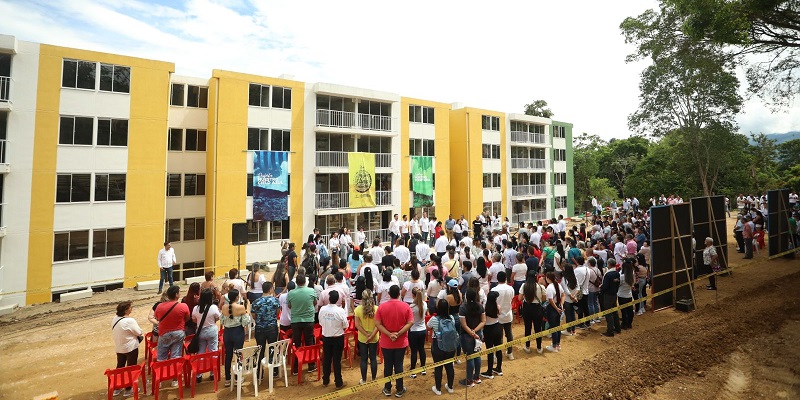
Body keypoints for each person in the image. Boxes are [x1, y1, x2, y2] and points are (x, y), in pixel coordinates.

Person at [374, 284, 413, 398]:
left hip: (386, 342)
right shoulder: (406, 306)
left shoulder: (381, 307)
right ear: (399, 293)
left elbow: (377, 324)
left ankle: (387, 388)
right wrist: (399, 333)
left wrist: (389, 334)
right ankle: (399, 389)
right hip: (400, 342)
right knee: (399, 365)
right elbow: (410, 322)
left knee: (388, 365)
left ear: (389, 294)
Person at [287, 274, 318, 375]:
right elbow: (315, 303)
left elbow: (289, 305)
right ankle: (311, 365)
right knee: (309, 342)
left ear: (297, 283)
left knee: (297, 343)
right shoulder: (311, 291)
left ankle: (296, 367)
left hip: (296, 321)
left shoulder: (291, 293)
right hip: (308, 320)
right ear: (305, 281)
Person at [111, 301, 143, 396]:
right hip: (130, 347)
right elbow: (138, 332)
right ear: (126, 310)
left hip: (119, 347)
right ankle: (128, 389)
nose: (131, 308)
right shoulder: (129, 320)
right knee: (131, 367)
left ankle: (117, 387)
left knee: (120, 366)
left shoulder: (115, 318)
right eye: (130, 307)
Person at [220, 289, 251, 386]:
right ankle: (238, 377)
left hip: (227, 333)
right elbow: (245, 322)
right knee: (238, 355)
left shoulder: (224, 307)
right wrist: (247, 311)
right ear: (237, 297)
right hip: (237, 332)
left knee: (228, 355)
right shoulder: (241, 307)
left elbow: (221, 321)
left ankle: (227, 379)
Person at [319, 290, 348, 389]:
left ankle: (325, 380)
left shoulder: (323, 309)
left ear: (329, 298)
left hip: (326, 337)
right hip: (337, 338)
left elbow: (321, 322)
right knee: (336, 360)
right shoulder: (340, 311)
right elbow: (345, 325)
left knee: (326, 359)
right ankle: (338, 382)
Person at [251, 282, 280, 378]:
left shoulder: (256, 302)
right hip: (272, 327)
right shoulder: (275, 301)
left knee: (260, 350)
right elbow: (277, 313)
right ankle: (274, 370)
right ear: (270, 289)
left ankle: (260, 373)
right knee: (273, 348)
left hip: (260, 329)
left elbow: (254, 316)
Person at [427, 299, 456, 395]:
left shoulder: (434, 319)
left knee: (438, 367)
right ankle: (450, 387)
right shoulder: (451, 318)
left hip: (438, 345)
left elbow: (428, 326)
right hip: (451, 346)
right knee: (449, 366)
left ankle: (438, 389)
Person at [458, 288, 485, 388]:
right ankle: (477, 377)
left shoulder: (463, 307)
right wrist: (475, 331)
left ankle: (469, 380)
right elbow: (483, 321)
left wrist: (471, 333)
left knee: (469, 357)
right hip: (478, 334)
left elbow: (464, 325)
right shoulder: (480, 306)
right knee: (477, 355)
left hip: (467, 336)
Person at [192, 288, 220, 382]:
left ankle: (199, 374)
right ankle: (212, 372)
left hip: (201, 332)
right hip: (212, 330)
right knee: (213, 350)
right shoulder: (213, 307)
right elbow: (218, 317)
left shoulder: (196, 308)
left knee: (201, 352)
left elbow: (194, 320)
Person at [155, 285, 190, 361]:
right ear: (176, 294)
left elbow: (157, 318)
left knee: (161, 357)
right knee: (175, 356)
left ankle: (163, 371)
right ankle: (174, 371)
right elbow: (187, 318)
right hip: (178, 332)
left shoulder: (159, 306)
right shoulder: (183, 306)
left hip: (164, 333)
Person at [354, 289, 380, 384]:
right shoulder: (377, 309)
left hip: (362, 338)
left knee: (364, 358)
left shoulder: (358, 310)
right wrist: (371, 335)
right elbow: (378, 325)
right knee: (373, 358)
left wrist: (366, 335)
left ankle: (364, 380)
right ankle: (373, 379)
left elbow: (357, 325)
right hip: (374, 337)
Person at [518, 271, 545, 354]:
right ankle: (539, 348)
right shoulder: (541, 287)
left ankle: (527, 346)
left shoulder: (524, 286)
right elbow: (544, 299)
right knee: (538, 328)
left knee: (527, 327)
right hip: (537, 308)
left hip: (527, 308)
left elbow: (519, 298)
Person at [490, 271, 515, 361]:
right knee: (509, 334)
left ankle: (497, 356)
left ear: (497, 279)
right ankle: (510, 352)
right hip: (508, 314)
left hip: (498, 317)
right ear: (505, 279)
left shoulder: (494, 290)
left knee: (498, 337)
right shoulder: (511, 289)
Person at [481, 291, 502, 380]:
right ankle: (499, 368)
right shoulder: (497, 307)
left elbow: (483, 319)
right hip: (497, 327)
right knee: (498, 349)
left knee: (490, 351)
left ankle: (489, 372)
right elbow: (499, 313)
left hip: (488, 329)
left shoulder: (485, 308)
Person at [408, 288, 428, 378]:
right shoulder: (424, 304)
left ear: (413, 295)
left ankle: (413, 371)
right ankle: (423, 369)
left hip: (414, 331)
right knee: (421, 349)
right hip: (423, 330)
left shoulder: (411, 307)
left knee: (414, 351)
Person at [544, 271, 563, 352]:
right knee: (558, 326)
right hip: (558, 306)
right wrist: (561, 305)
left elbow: (550, 300)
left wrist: (556, 308)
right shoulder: (558, 285)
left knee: (553, 327)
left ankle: (554, 346)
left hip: (552, 309)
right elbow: (563, 294)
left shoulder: (549, 287)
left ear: (548, 278)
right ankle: (558, 344)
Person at [600, 264, 622, 337]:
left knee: (609, 313)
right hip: (614, 294)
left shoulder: (608, 275)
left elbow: (605, 286)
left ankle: (610, 331)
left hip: (608, 295)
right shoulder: (617, 273)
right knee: (615, 312)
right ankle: (618, 328)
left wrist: (601, 290)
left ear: (609, 264)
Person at [618, 259, 635, 329]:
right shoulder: (632, 275)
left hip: (621, 295)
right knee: (629, 310)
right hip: (629, 295)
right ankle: (629, 323)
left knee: (624, 311)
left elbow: (618, 284)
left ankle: (624, 324)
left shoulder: (621, 276)